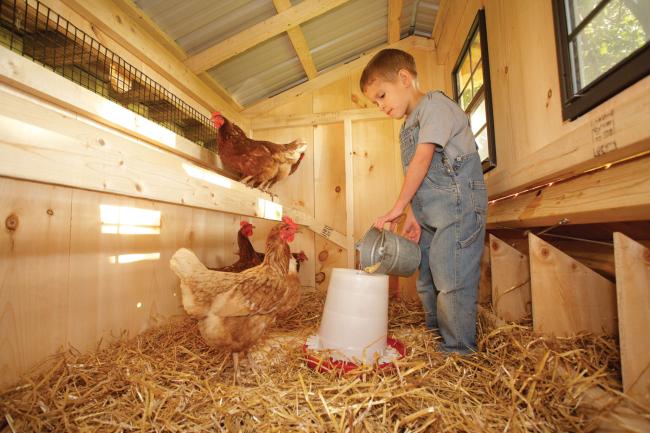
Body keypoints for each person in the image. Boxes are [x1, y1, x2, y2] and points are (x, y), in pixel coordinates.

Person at [360, 48, 487, 355]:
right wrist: (414, 215)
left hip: (458, 207)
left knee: (451, 279)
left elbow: (423, 159)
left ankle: (459, 352)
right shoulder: (408, 125)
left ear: (404, 79)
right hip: (431, 212)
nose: (379, 106)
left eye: (381, 96)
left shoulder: (436, 107)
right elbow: (422, 178)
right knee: (427, 278)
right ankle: (436, 337)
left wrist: (397, 208)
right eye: (374, 102)